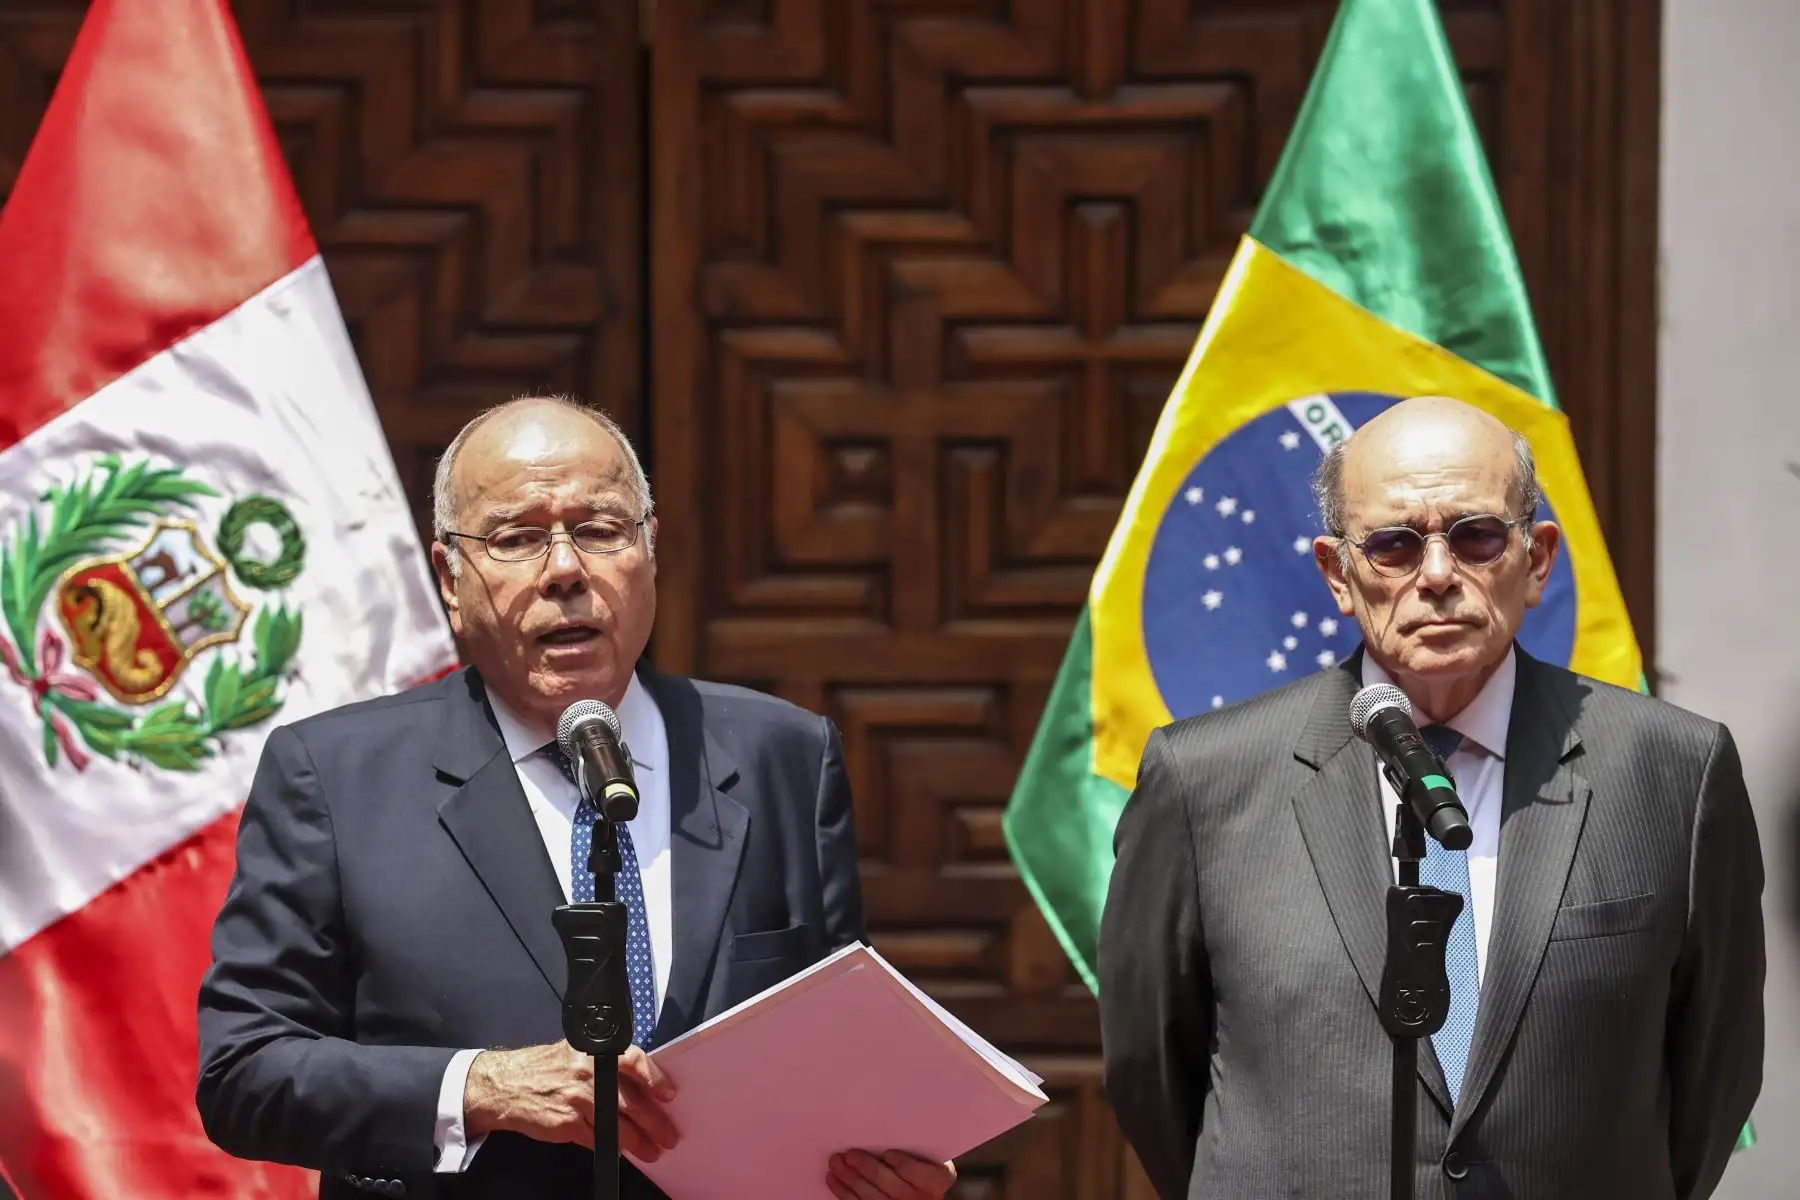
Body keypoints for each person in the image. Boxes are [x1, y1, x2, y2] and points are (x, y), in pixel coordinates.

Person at [196, 395, 957, 1200]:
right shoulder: (334, 776)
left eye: (601, 530)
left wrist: (887, 1158)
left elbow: (841, 1040)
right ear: (450, 581)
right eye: (517, 538)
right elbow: (245, 1070)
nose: (566, 570)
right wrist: (480, 1089)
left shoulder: (783, 756)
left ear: (651, 550)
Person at [1097, 396, 1764, 1199]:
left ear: (1539, 558)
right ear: (1339, 575)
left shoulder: (1673, 771)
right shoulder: (1204, 779)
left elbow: (1712, 1073)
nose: (1439, 576)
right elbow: (1148, 1070)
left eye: (1477, 536)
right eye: (1394, 546)